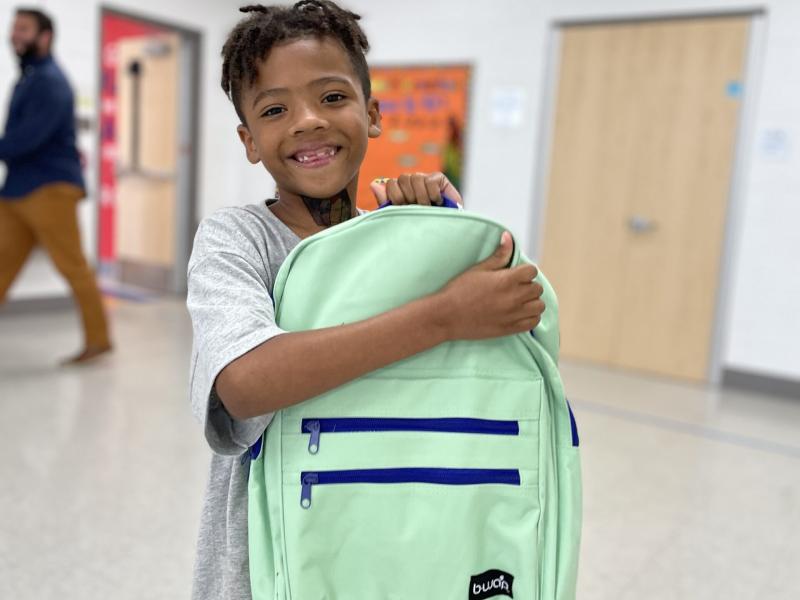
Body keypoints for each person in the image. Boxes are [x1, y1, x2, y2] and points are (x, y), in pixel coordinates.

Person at [186, 2, 545, 598]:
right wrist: (443, 315)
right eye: (275, 109)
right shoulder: (236, 238)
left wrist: (439, 236)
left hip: (386, 536)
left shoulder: (405, 233)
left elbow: (507, 322)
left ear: (372, 113)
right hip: (266, 561)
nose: (307, 122)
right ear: (249, 141)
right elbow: (245, 382)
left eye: (332, 98)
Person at [0, 7, 111, 364]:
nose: (15, 34)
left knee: (73, 266)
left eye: (24, 28)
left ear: (44, 36)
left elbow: (27, 137)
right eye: (13, 28)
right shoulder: (29, 77)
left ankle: (100, 340)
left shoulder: (50, 81)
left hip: (49, 189)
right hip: (19, 189)